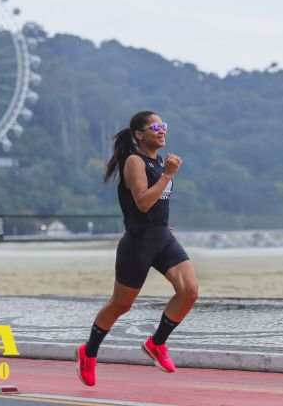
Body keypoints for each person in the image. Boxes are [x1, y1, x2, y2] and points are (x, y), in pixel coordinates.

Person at [76, 111, 198, 386]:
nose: (162, 130)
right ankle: (89, 352)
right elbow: (142, 202)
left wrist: (162, 225)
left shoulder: (157, 162)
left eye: (164, 125)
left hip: (162, 238)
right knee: (121, 305)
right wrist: (168, 175)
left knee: (189, 291)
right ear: (139, 134)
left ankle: (156, 343)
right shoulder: (134, 161)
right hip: (138, 243)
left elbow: (155, 206)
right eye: (155, 126)